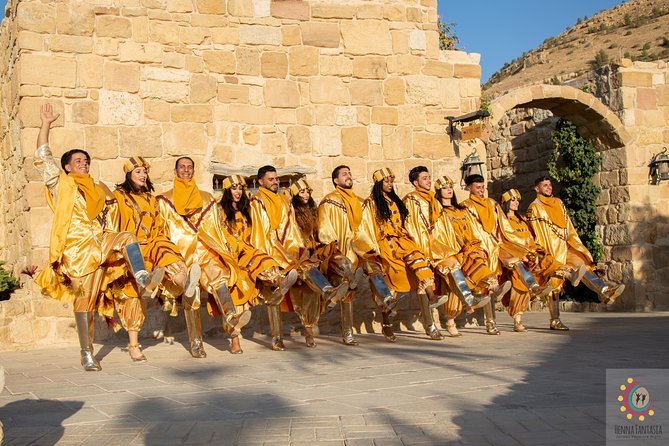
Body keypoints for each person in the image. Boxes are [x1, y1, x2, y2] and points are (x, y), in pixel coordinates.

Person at [33, 103, 163, 370]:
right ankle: (86, 352)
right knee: (85, 303)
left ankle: (142, 276)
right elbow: (42, 155)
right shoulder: (61, 184)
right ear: (67, 167)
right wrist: (46, 124)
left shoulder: (98, 188)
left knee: (127, 237)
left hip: (102, 243)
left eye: (86, 160)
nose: (84, 163)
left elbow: (114, 216)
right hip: (77, 253)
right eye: (78, 161)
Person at [157, 158, 251, 356]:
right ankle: (196, 342)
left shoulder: (207, 199)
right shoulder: (164, 201)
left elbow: (216, 230)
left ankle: (232, 318)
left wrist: (226, 252)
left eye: (190, 167)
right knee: (192, 294)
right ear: (175, 171)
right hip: (181, 256)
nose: (186, 170)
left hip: (206, 254)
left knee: (221, 279)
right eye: (182, 167)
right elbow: (162, 232)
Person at [113, 157, 201, 360]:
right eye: (138, 172)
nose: (143, 175)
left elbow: (158, 227)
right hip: (131, 248)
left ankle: (185, 282)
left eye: (144, 172)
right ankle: (134, 346)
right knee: (133, 295)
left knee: (167, 249)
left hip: (151, 243)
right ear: (129, 175)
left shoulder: (152, 199)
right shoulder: (119, 197)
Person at [356, 168, 449, 341]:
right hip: (385, 246)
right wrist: (371, 250)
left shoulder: (396, 202)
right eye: (386, 181)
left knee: (420, 264)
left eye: (391, 181)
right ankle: (386, 323)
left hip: (403, 241)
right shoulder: (371, 203)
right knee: (393, 286)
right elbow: (366, 227)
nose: (390, 184)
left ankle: (431, 300)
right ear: (378, 183)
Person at [249, 165, 335, 351]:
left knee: (308, 275)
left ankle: (325, 296)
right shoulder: (257, 200)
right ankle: (276, 337)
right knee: (276, 291)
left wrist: (297, 251)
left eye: (276, 179)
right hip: (271, 252)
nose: (274, 182)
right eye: (270, 179)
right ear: (261, 181)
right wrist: (271, 256)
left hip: (288, 250)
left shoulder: (283, 200)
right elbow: (261, 233)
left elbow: (292, 230)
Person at [403, 167, 491, 339]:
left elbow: (443, 228)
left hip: (438, 249)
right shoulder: (411, 199)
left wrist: (448, 248)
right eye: (424, 178)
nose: (428, 180)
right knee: (425, 283)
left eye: (429, 178)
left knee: (454, 266)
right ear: (415, 182)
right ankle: (430, 326)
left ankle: (469, 299)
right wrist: (423, 249)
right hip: (420, 249)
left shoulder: (434, 202)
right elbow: (412, 226)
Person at [461, 174, 551, 334]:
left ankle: (533, 287)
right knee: (486, 286)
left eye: (483, 187)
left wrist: (520, 246)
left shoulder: (492, 204)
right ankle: (490, 323)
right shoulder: (465, 207)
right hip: (479, 249)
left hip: (497, 248)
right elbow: (465, 230)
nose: (481, 190)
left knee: (513, 265)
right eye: (477, 187)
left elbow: (505, 227)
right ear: (469, 188)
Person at [218, 174, 292, 353]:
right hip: (227, 255)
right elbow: (218, 233)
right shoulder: (219, 210)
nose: (237, 192)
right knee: (235, 292)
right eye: (233, 188)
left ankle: (279, 281)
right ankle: (235, 339)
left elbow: (255, 232)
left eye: (240, 188)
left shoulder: (247, 209)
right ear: (227, 190)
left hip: (246, 251)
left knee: (264, 260)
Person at [526, 176, 624, 308]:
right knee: (555, 283)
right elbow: (536, 233)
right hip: (551, 250)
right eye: (545, 185)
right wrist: (544, 255)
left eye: (550, 185)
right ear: (537, 189)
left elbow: (569, 226)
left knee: (582, 266)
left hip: (566, 247)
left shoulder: (559, 203)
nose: (549, 187)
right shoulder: (534, 207)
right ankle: (555, 319)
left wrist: (575, 244)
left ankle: (604, 291)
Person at [433, 176, 510, 336]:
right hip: (451, 251)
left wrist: (475, 244)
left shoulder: (460, 210)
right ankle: (450, 320)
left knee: (478, 262)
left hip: (467, 249)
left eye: (450, 187)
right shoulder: (439, 212)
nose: (449, 190)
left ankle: (492, 286)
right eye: (445, 188)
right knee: (453, 286)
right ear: (439, 192)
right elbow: (441, 234)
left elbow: (470, 230)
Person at [500, 189, 585, 331]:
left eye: (517, 200)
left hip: (532, 254)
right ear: (506, 202)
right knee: (520, 284)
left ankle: (570, 275)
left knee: (549, 260)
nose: (516, 203)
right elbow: (504, 241)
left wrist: (537, 249)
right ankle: (517, 320)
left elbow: (532, 237)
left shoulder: (522, 220)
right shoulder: (502, 221)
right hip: (517, 258)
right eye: (513, 200)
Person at [318, 165, 379, 345]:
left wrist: (368, 248)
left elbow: (366, 229)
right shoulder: (329, 201)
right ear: (336, 180)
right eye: (344, 174)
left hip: (358, 250)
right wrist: (333, 248)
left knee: (374, 269)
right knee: (346, 281)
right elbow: (324, 228)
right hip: (338, 251)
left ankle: (386, 303)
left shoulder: (360, 202)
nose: (349, 176)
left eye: (350, 173)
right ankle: (345, 327)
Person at [288, 179, 351, 347]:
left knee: (338, 262)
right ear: (295, 194)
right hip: (299, 257)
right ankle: (328, 293)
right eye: (302, 192)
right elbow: (291, 239)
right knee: (308, 296)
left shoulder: (314, 212)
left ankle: (342, 285)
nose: (306, 195)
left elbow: (320, 233)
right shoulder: (291, 213)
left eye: (308, 192)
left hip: (315, 254)